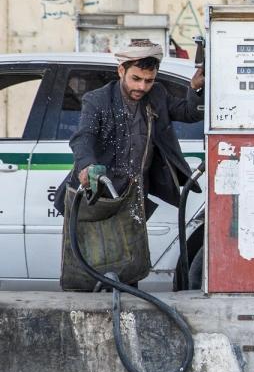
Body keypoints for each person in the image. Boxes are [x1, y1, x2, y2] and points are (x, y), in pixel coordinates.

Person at [53, 40, 204, 289]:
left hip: (134, 196)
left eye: (148, 80)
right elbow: (84, 137)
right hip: (99, 197)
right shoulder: (97, 100)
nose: (142, 86)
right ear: (121, 70)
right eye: (136, 79)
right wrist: (87, 166)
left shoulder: (157, 95)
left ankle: (126, 317)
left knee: (129, 268)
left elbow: (189, 112)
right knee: (91, 267)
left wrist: (195, 88)